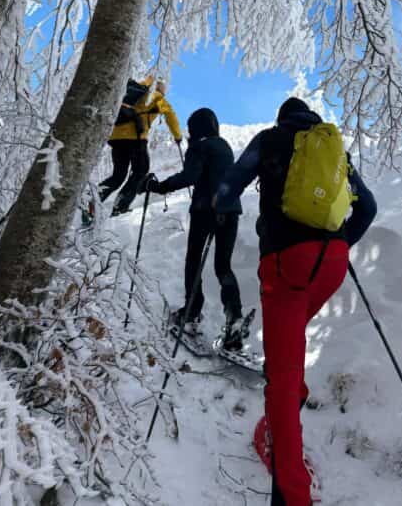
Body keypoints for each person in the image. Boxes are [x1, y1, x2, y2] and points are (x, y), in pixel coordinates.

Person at [215, 97, 377, 506]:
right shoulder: (331, 149)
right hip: (331, 263)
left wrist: (223, 208)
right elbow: (368, 208)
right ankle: (287, 410)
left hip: (287, 266)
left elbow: (228, 187)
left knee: (281, 379)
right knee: (289, 346)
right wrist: (338, 243)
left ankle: (292, 493)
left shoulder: (269, 139)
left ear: (281, 119)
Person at [145, 107, 246, 351]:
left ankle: (190, 314)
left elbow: (189, 176)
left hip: (205, 210)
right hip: (230, 211)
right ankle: (234, 320)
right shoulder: (224, 147)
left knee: (193, 260)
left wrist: (158, 187)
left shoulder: (200, 147)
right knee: (223, 266)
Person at [100, 76, 182, 216]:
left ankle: (91, 199)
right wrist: (178, 137)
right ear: (160, 88)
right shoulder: (156, 97)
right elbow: (171, 116)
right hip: (136, 139)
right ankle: (120, 205)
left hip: (116, 138)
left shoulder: (131, 93)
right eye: (164, 89)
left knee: (118, 176)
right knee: (140, 171)